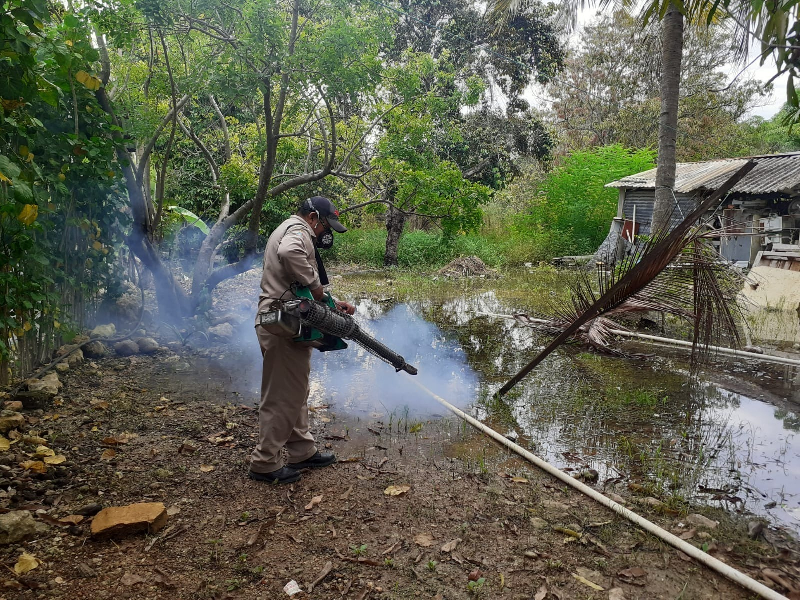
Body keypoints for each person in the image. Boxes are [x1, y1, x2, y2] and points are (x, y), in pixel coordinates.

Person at [249, 196, 355, 484]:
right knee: (283, 394)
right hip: (280, 320)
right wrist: (315, 285)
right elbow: (290, 254)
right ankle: (265, 462)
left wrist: (332, 304)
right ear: (312, 217)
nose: (325, 233)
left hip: (287, 319)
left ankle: (301, 451)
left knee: (295, 388)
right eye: (325, 225)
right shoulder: (298, 232)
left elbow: (301, 290)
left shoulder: (290, 228)